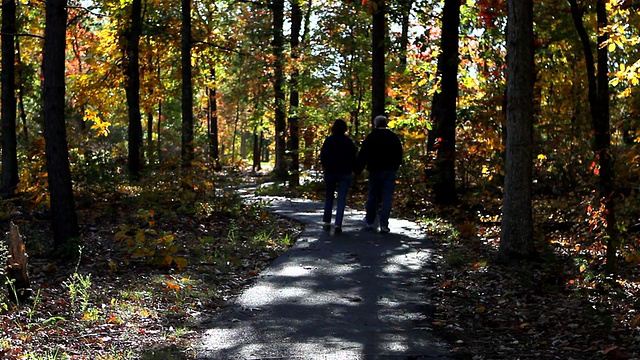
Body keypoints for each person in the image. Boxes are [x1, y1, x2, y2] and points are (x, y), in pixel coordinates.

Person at [355, 115, 403, 234]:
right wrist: (395, 167)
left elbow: (364, 154)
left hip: (375, 170)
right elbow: (399, 154)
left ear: (376, 124)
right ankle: (384, 224)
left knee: (372, 196)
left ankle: (370, 222)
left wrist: (358, 169)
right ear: (386, 124)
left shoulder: (372, 137)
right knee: (387, 198)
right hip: (389, 171)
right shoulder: (393, 137)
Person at [320, 119, 357, 234]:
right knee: (341, 198)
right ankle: (338, 224)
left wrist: (326, 167)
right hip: (345, 172)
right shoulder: (348, 142)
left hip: (331, 172)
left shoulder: (329, 141)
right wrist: (354, 169)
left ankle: (326, 222)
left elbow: (323, 156)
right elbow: (353, 157)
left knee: (329, 197)